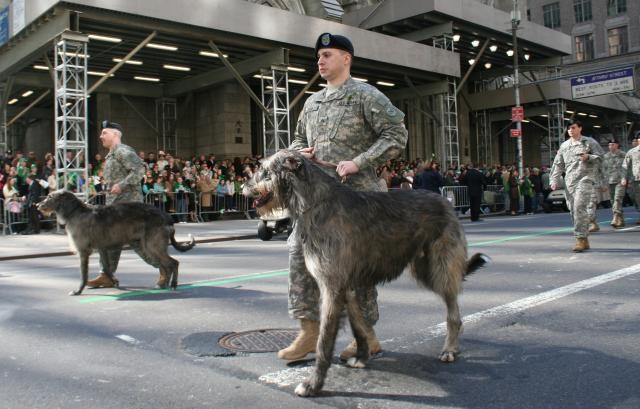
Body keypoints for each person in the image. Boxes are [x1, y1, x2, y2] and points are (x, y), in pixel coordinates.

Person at [280, 32, 408, 361]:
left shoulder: (366, 96)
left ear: (346, 58)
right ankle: (309, 331)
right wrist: (299, 153)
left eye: (327, 55)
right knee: (298, 253)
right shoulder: (312, 102)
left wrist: (360, 161)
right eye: (319, 56)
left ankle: (366, 336)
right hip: (317, 201)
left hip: (358, 200)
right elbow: (295, 141)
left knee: (355, 268)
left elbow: (397, 134)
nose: (320, 61)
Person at [86, 120, 146, 288]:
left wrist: (122, 185)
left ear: (115, 134)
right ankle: (106, 275)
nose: (100, 136)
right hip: (115, 208)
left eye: (104, 133)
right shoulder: (111, 155)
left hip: (129, 208)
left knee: (139, 243)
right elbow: (116, 181)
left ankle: (165, 267)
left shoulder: (123, 151)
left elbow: (140, 170)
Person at [550, 120, 605, 252]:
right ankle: (584, 239)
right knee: (573, 210)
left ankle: (579, 238)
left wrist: (589, 157)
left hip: (585, 179)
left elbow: (602, 158)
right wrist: (554, 179)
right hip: (570, 181)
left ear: (580, 128)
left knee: (579, 206)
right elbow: (558, 164)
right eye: (568, 128)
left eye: (573, 128)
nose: (570, 130)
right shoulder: (564, 146)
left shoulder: (589, 142)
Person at [603, 140, 626, 228]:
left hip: (620, 180)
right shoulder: (606, 156)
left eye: (612, 144)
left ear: (617, 145)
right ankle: (621, 220)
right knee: (613, 201)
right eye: (609, 145)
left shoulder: (623, 155)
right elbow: (603, 170)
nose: (610, 146)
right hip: (610, 181)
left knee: (617, 199)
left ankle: (615, 217)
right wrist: (603, 183)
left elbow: (627, 167)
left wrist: (626, 178)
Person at [621, 133, 640, 225]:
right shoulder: (631, 152)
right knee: (636, 198)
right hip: (636, 180)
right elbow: (625, 166)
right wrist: (624, 178)